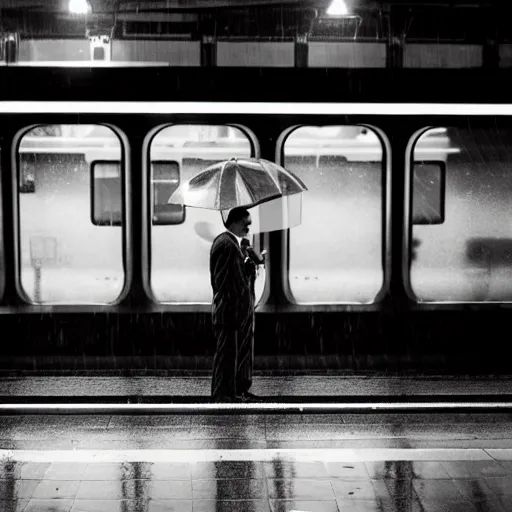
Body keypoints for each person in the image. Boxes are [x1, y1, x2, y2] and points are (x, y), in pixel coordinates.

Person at [209, 207, 262, 402]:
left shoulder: (235, 245)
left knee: (236, 354)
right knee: (227, 355)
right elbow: (222, 282)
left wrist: (247, 268)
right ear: (233, 222)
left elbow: (236, 278)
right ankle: (224, 395)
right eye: (245, 224)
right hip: (230, 312)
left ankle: (237, 391)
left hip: (238, 311)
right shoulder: (226, 245)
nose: (248, 228)